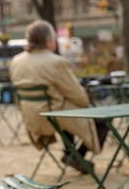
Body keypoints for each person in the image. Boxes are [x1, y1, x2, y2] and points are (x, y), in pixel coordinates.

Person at [10, 20, 109, 173]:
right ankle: (77, 155)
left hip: (32, 118)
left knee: (65, 110)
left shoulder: (16, 61)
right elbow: (80, 97)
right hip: (54, 116)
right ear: (49, 41)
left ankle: (71, 153)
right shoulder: (55, 62)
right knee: (102, 120)